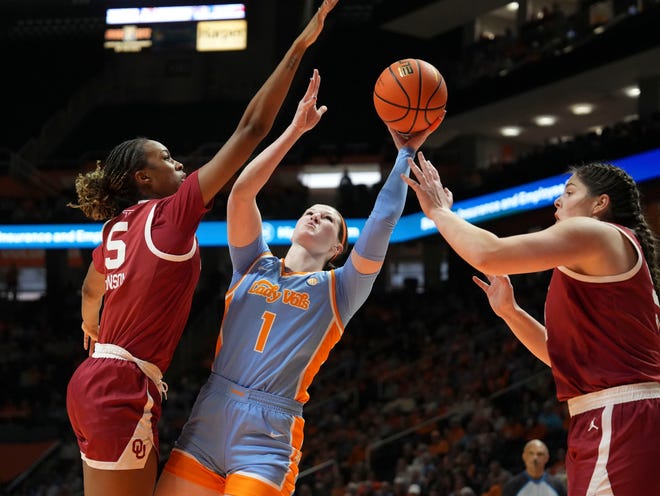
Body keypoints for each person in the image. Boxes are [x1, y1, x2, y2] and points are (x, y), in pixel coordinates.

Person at [65, 3, 339, 496]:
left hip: (94, 378)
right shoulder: (170, 214)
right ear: (143, 178)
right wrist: (298, 48)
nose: (179, 164)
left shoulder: (116, 227)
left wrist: (92, 326)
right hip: (120, 387)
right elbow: (251, 129)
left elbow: (91, 288)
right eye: (166, 159)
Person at [154, 79, 444, 495]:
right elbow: (241, 194)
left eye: (327, 218)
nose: (314, 216)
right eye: (310, 211)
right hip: (210, 414)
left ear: (338, 245)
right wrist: (294, 131)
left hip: (267, 435)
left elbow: (381, 220)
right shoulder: (253, 263)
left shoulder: (341, 289)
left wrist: (406, 152)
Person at [403, 156, 660, 495]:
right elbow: (564, 359)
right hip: (613, 415)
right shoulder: (603, 255)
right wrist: (511, 312)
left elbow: (488, 253)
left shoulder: (595, 232)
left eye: (569, 192)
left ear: (600, 204)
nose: (558, 200)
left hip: (621, 417)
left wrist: (439, 213)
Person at [502, 439, 566, 496]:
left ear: (547, 458)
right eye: (531, 453)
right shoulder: (512, 486)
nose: (535, 458)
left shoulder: (557, 486)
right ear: (524, 456)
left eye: (540, 454)